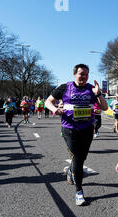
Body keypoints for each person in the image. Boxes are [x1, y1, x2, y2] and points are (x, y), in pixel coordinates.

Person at [45, 63, 108, 206]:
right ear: (75, 74)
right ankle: (79, 191)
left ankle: (70, 171)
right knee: (78, 159)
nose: (84, 76)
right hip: (69, 129)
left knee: (82, 158)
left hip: (86, 129)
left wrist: (98, 94)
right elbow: (48, 102)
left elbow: (104, 107)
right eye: (81, 73)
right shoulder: (64, 87)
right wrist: (55, 109)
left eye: (86, 74)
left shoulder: (92, 89)